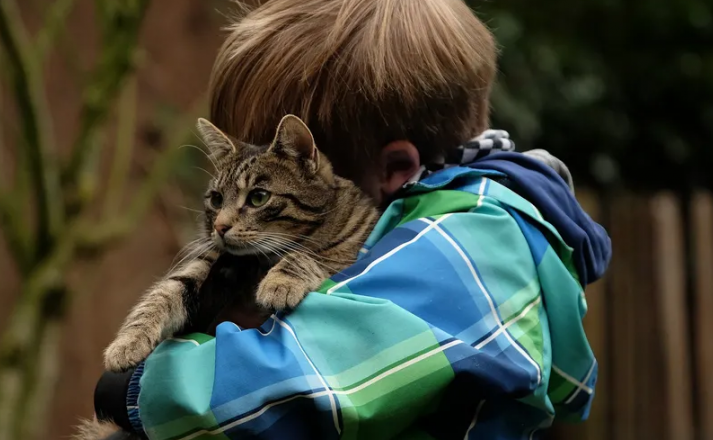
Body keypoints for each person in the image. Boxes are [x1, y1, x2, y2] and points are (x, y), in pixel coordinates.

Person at [92, 0, 611, 438]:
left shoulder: (474, 240)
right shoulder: (464, 225)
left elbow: (310, 376)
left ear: (395, 171)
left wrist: (141, 391)